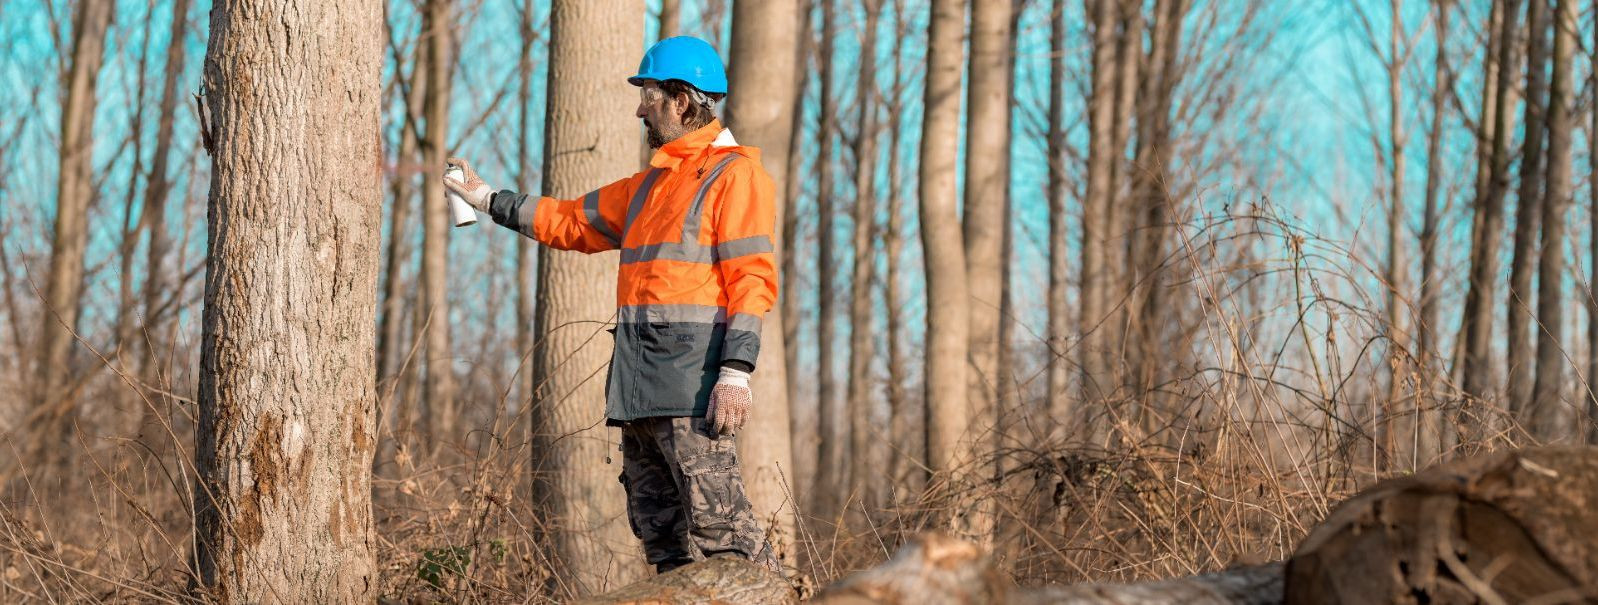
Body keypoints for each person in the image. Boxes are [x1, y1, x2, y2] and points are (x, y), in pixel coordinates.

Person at [443, 35, 780, 574]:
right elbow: (572, 220)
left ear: (682, 100)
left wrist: (736, 372)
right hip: (637, 389)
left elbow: (752, 278)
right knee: (662, 544)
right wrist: (487, 199)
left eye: (648, 96)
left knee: (727, 541)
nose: (639, 108)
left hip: (693, 393)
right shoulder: (648, 186)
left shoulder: (734, 176)